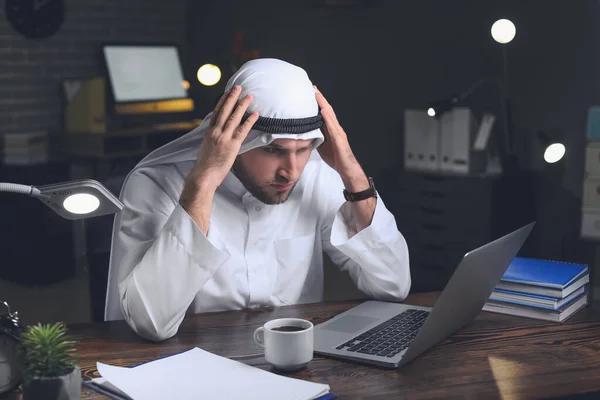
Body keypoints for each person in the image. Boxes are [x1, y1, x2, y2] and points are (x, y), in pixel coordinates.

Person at [104, 58, 411, 341]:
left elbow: (393, 285)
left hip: (295, 366)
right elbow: (151, 324)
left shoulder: (316, 176)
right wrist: (203, 184)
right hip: (189, 364)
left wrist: (353, 175)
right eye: (274, 150)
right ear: (236, 138)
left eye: (304, 149)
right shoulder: (156, 184)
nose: (291, 171)